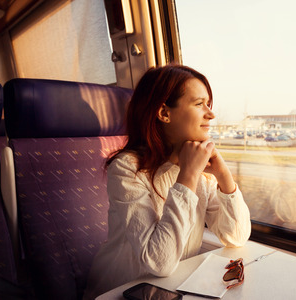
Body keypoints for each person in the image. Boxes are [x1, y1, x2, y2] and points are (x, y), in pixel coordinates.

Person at [83, 64, 251, 299]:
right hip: (123, 290)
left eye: (209, 104)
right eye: (199, 104)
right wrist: (188, 176)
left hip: (172, 287)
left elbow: (236, 236)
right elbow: (159, 261)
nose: (211, 114)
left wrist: (223, 175)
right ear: (164, 113)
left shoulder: (198, 166)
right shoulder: (127, 168)